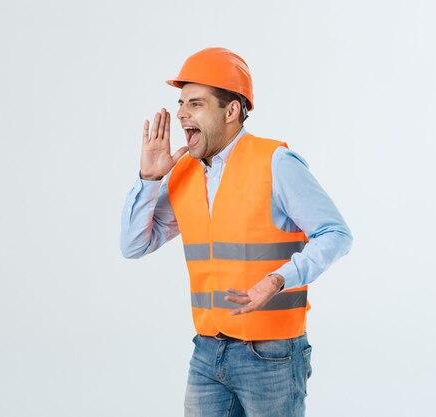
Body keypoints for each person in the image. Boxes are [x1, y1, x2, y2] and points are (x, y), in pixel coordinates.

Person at [120, 47, 352, 417]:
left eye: (195, 104)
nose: (181, 113)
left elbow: (335, 234)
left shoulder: (275, 162)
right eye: (181, 103)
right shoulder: (183, 173)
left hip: (272, 353)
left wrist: (278, 279)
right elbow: (134, 245)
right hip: (207, 351)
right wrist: (149, 179)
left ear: (230, 111)